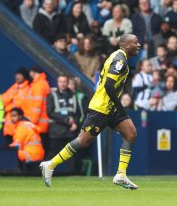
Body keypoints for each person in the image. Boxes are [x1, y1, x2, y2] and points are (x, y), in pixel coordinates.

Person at [40, 34, 141, 190]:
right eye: (135, 43)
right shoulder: (120, 61)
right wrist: (120, 106)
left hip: (111, 108)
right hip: (101, 108)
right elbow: (108, 85)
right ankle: (50, 165)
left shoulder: (118, 56)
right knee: (83, 141)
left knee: (131, 133)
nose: (139, 45)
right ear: (126, 45)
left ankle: (121, 174)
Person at [46, 75, 80, 166]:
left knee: (71, 155)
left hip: (70, 131)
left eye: (65, 82)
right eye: (61, 82)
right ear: (57, 83)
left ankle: (72, 176)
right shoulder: (52, 95)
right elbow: (50, 112)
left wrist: (76, 123)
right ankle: (46, 172)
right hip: (57, 131)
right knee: (53, 154)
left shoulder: (73, 96)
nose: (63, 84)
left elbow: (78, 113)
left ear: (68, 83)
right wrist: (66, 121)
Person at [22, 66, 50, 154]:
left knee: (37, 150)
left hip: (37, 124)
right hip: (40, 124)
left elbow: (37, 106)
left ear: (33, 73)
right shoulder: (41, 83)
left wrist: (32, 123)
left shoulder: (39, 85)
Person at [1, 67, 30, 145]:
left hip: (19, 126)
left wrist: (8, 107)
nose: (17, 76)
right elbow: (2, 100)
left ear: (25, 76)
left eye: (20, 75)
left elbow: (20, 106)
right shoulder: (14, 87)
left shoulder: (28, 89)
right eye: (17, 74)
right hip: (9, 126)